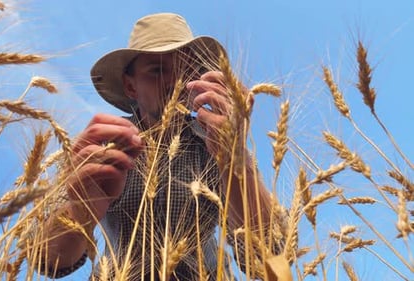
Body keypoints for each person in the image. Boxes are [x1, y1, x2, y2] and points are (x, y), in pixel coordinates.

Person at [36, 13, 284, 280]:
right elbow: (48, 262)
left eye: (187, 69)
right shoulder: (101, 145)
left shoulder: (217, 141)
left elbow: (270, 257)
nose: (176, 81)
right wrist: (81, 208)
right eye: (158, 70)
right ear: (130, 86)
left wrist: (233, 159)